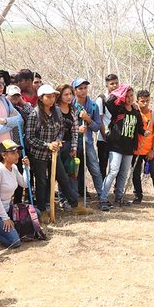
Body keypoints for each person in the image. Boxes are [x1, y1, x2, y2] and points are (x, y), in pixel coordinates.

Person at [25, 84, 92, 217]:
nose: (51, 99)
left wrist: (57, 141)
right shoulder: (35, 114)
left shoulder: (56, 111)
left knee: (63, 178)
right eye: (48, 97)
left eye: (53, 96)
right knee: (42, 181)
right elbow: (30, 137)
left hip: (54, 153)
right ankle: (42, 210)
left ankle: (74, 206)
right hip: (39, 154)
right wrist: (47, 145)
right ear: (41, 98)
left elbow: (62, 129)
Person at [101, 83, 145, 206]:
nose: (130, 98)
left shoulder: (136, 112)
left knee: (124, 174)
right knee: (113, 171)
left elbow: (139, 127)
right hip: (116, 146)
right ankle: (103, 198)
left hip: (129, 147)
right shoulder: (118, 109)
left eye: (132, 95)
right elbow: (109, 101)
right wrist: (121, 90)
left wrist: (144, 131)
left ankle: (119, 197)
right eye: (127, 95)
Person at [71, 78, 107, 210]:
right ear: (74, 90)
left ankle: (102, 197)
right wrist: (77, 129)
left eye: (85, 88)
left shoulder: (93, 106)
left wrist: (87, 119)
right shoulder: (70, 105)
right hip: (74, 143)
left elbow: (97, 126)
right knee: (73, 171)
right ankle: (73, 199)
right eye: (80, 88)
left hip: (88, 143)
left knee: (95, 170)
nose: (83, 91)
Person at [55, 84, 80, 205]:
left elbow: (75, 130)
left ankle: (73, 199)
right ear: (60, 95)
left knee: (70, 172)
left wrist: (74, 147)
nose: (69, 97)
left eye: (70, 94)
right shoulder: (54, 108)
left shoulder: (73, 110)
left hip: (69, 144)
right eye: (66, 94)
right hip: (56, 146)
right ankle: (62, 199)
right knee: (60, 174)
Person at [95, 74, 119, 177]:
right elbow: (99, 119)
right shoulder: (101, 99)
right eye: (112, 84)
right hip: (103, 138)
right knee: (103, 164)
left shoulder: (120, 99)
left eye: (116, 83)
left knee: (116, 166)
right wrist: (104, 136)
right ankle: (101, 190)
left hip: (117, 138)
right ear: (106, 85)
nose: (114, 86)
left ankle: (116, 189)